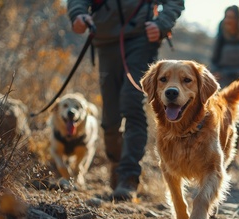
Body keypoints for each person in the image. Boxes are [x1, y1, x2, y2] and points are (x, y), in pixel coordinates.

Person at [67, 0, 185, 201]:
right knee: (110, 117)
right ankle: (117, 162)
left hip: (141, 40)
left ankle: (129, 176)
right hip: (105, 40)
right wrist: (77, 14)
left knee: (131, 103)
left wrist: (161, 24)